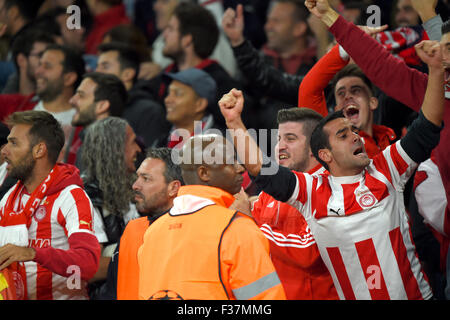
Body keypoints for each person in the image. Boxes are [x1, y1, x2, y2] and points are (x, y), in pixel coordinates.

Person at [219, 34, 445, 299]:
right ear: (324, 154)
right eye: (343, 135)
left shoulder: (386, 168)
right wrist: (234, 123)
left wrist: (436, 70)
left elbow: (427, 127)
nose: (355, 136)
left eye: (353, 131)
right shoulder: (312, 191)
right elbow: (262, 170)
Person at [305, 0, 450, 288]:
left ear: (373, 103)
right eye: (442, 48)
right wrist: (331, 17)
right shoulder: (436, 95)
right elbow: (381, 66)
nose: (443, 56)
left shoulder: (396, 144)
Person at [138, 134, 286, 300]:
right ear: (204, 173)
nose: (241, 168)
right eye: (231, 163)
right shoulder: (237, 229)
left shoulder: (153, 233)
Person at [0, 110, 101, 299]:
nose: (4, 151)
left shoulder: (70, 197)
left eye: (14, 143)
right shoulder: (9, 199)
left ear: (39, 150)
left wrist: (32, 253)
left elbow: (88, 263)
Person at [251, 107, 338, 300]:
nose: (280, 146)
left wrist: (250, 225)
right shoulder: (268, 193)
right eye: (278, 139)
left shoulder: (330, 188)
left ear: (314, 148)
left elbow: (308, 253)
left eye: (290, 139)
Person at [141, 1, 254, 130]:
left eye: (171, 29)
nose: (164, 35)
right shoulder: (165, 74)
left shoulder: (222, 85)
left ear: (187, 40)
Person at [97, 147, 183, 300]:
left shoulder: (189, 233)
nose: (135, 185)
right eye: (137, 177)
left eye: (146, 178)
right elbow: (111, 291)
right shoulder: (132, 230)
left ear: (173, 188)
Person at [80, 116, 142, 299]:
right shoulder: (86, 199)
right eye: (132, 143)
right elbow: (90, 269)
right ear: (115, 150)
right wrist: (146, 254)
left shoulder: (136, 190)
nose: (138, 149)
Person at [0, 44, 86, 165]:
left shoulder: (84, 123)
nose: (38, 71)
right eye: (40, 65)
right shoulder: (15, 105)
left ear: (69, 78)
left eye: (47, 66)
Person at [96, 42, 171, 148]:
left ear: (127, 74)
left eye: (105, 67)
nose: (97, 72)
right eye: (97, 67)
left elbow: (152, 159)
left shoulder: (149, 112)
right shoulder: (101, 108)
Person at [69, 71, 128, 168]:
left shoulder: (103, 151)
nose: (71, 100)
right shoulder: (93, 142)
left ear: (102, 106)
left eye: (81, 95)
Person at [162, 68, 219, 149]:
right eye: (168, 93)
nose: (167, 100)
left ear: (200, 104)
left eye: (178, 94)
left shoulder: (219, 146)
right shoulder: (161, 141)